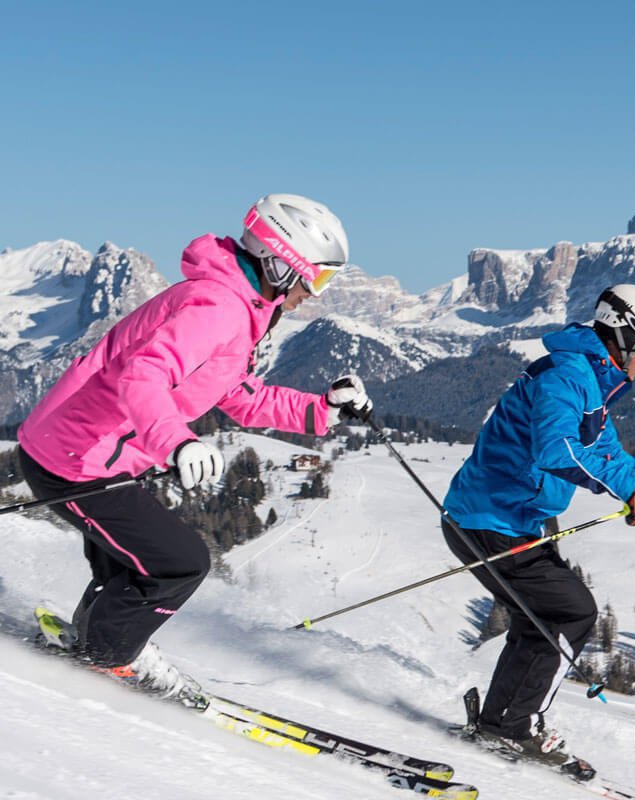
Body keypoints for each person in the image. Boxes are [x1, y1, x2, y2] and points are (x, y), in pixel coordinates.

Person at [17, 193, 374, 702]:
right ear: (281, 262)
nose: (315, 294)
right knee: (180, 562)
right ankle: (109, 655)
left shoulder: (237, 304)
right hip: (76, 461)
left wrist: (320, 410)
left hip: (84, 453)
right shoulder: (218, 309)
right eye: (316, 279)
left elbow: (233, 393)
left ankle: (99, 641)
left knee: (135, 563)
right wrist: (177, 442)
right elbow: (144, 378)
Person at [441, 283, 635, 779]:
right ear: (627, 336)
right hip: (488, 522)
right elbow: (556, 450)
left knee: (546, 618)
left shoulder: (592, 379)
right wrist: (631, 494)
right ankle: (510, 726)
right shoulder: (567, 377)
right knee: (570, 611)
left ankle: (502, 722)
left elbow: (609, 454)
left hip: (511, 520)